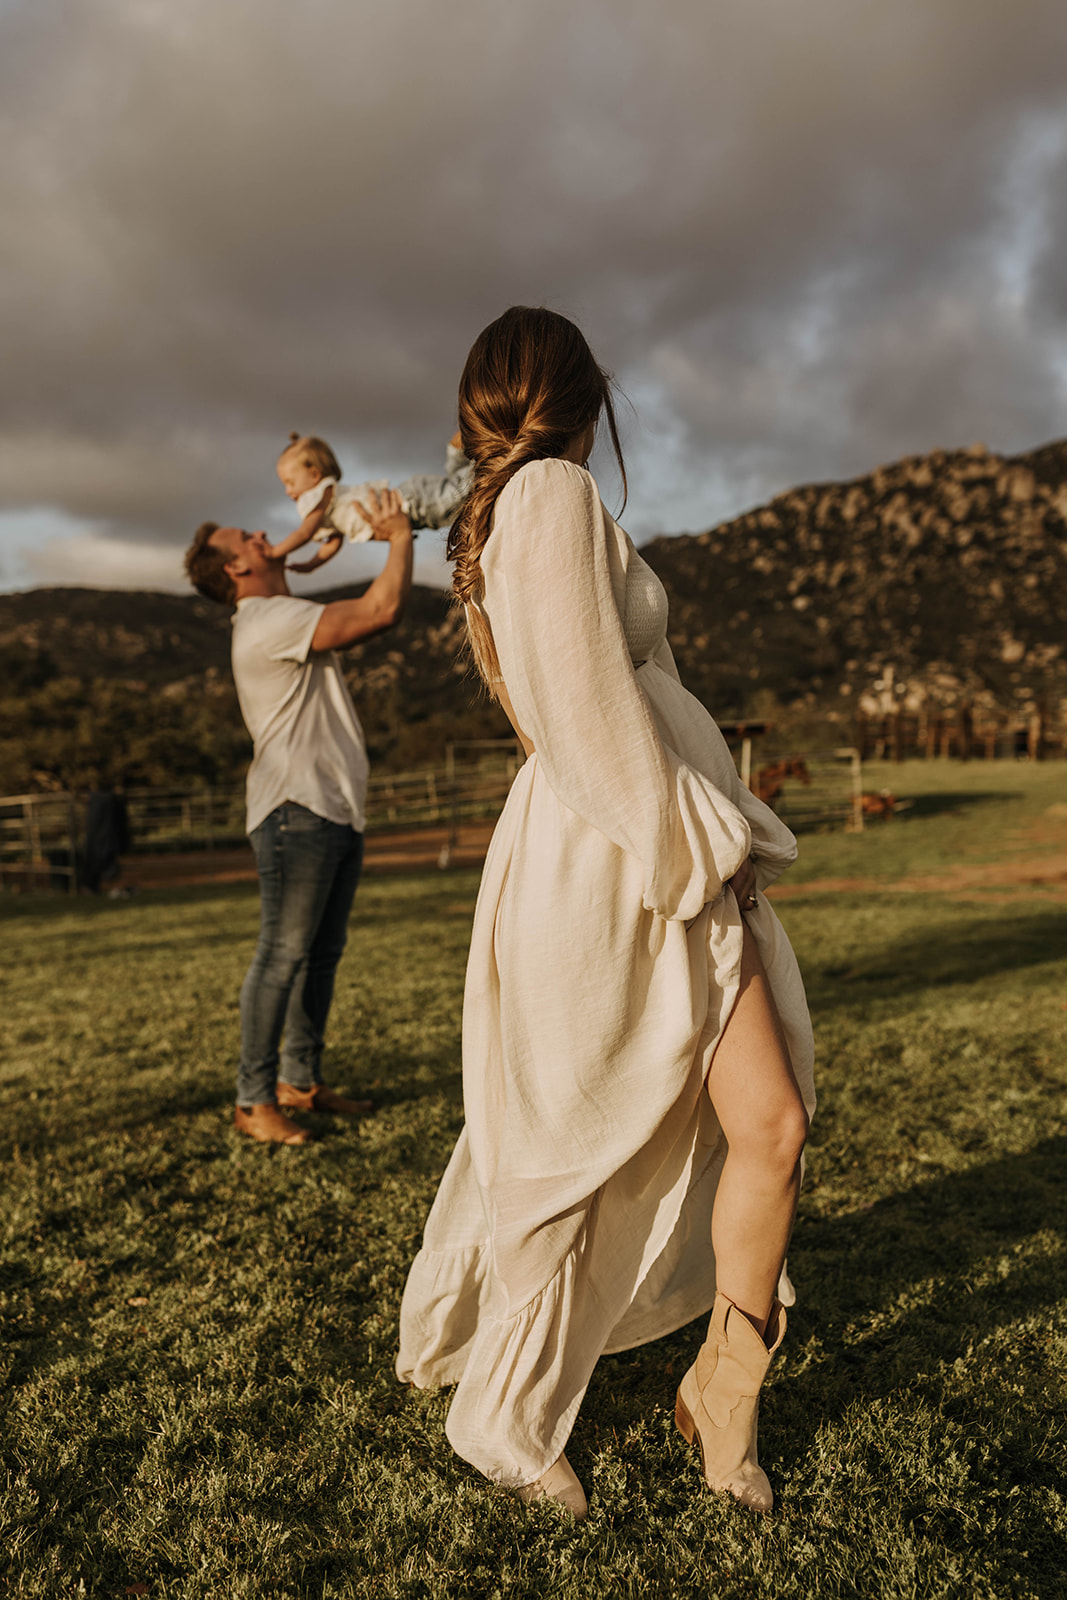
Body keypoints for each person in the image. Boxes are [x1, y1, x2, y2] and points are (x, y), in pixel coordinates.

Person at [396, 308, 816, 1518]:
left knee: (768, 1123)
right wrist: (694, 851)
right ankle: (507, 1415)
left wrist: (705, 826)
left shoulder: (511, 517)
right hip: (620, 863)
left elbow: (605, 705)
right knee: (576, 1143)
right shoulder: (546, 503)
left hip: (643, 848)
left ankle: (722, 1398)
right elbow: (580, 719)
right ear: (590, 400)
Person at [183, 489, 414, 1145]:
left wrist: (310, 559)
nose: (262, 534)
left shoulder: (277, 609)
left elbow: (326, 591)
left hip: (331, 806)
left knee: (320, 956)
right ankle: (253, 1100)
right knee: (281, 956)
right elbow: (381, 610)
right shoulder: (266, 619)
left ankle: (299, 1081)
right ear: (233, 570)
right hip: (296, 811)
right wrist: (399, 535)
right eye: (246, 539)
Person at [273, 431, 473, 575]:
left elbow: (304, 533)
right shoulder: (326, 507)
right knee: (459, 502)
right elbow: (332, 544)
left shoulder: (319, 496)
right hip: (413, 505)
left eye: (290, 483)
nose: (288, 491)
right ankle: (457, 457)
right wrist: (312, 564)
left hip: (412, 503)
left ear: (315, 475)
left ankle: (475, 460)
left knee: (466, 496)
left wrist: (274, 552)